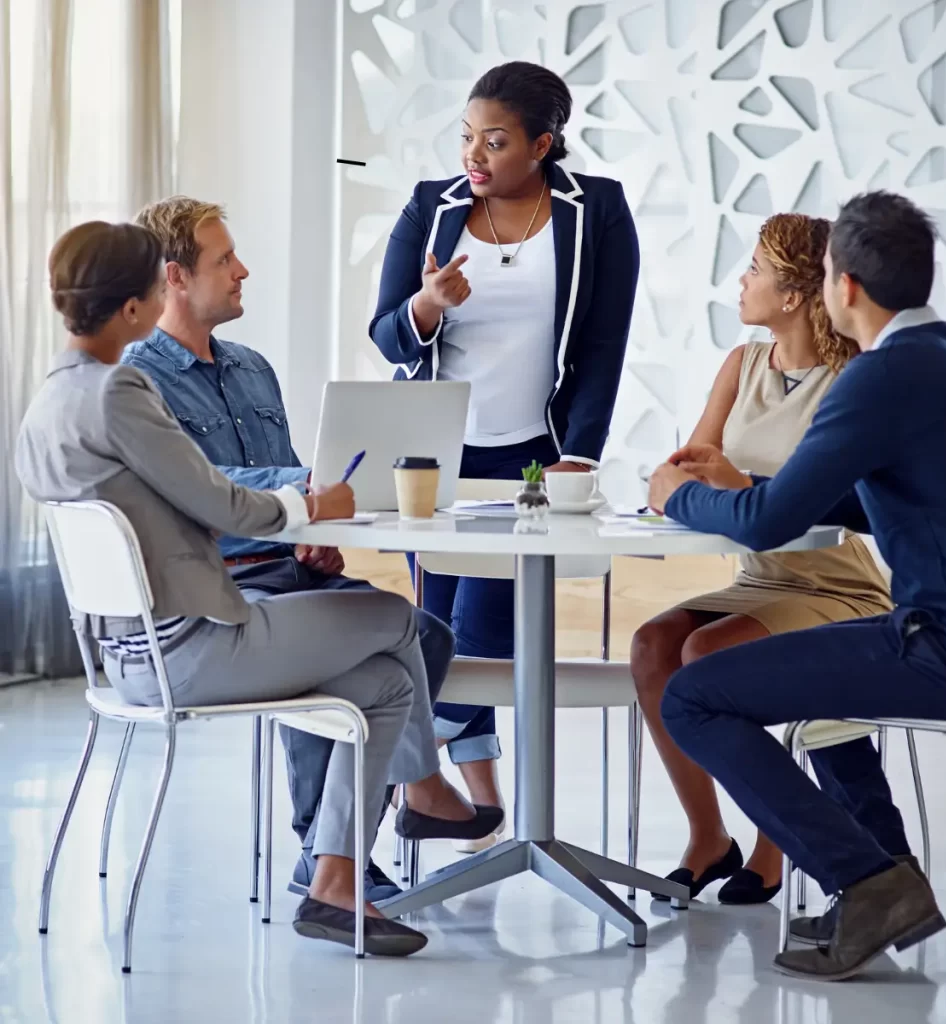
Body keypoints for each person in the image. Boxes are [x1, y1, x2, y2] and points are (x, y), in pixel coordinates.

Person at [17, 221, 502, 956]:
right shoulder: (122, 387)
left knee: (383, 684)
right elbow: (217, 501)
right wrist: (311, 506)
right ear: (136, 306)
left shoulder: (52, 395)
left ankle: (334, 880)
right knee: (397, 618)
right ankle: (418, 792)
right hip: (191, 645)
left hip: (127, 652)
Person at [646, 191, 946, 982]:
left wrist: (675, 495)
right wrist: (752, 487)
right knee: (808, 667)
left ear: (843, 286)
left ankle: (870, 882)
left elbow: (767, 524)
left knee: (694, 696)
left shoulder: (881, 377)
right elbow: (900, 495)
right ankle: (885, 871)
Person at [120, 196, 455, 902]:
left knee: (425, 635)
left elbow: (295, 482)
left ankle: (336, 854)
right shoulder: (138, 381)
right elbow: (198, 488)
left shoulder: (253, 369)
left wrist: (314, 538)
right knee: (360, 645)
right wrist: (299, 490)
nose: (244, 270)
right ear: (175, 277)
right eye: (224, 259)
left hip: (281, 567)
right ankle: (334, 843)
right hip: (216, 587)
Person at [370, 60, 640, 845]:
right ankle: (468, 807)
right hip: (431, 459)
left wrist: (581, 457)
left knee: (485, 634)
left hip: (530, 459)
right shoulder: (432, 209)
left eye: (495, 141)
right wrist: (426, 305)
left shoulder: (599, 213)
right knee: (434, 629)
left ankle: (405, 772)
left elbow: (601, 346)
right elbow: (386, 332)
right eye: (466, 137)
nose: (474, 156)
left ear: (543, 145)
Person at [631, 213, 894, 906]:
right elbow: (685, 470)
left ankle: (776, 842)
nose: (739, 282)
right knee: (654, 644)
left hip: (835, 587)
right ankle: (706, 836)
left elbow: (824, 500)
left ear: (792, 296)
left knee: (710, 653)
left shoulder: (854, 380)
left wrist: (736, 486)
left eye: (753, 269)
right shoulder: (742, 364)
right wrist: (690, 479)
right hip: (759, 578)